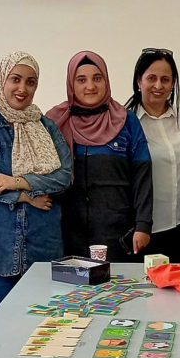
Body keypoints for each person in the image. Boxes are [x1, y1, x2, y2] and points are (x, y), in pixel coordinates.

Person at [0, 51, 71, 310]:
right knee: (0, 331)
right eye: (16, 79)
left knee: (43, 331)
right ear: (2, 80)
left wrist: (19, 181)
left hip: (42, 246)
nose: (22, 88)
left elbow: (64, 176)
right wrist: (25, 196)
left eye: (30, 82)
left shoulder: (47, 127)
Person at [47, 51, 152, 261]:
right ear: (71, 84)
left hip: (118, 233)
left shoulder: (126, 120)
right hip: (69, 233)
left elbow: (143, 176)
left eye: (97, 78)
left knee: (118, 292)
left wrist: (143, 225)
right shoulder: (55, 122)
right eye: (81, 80)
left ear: (106, 80)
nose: (90, 86)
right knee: (71, 292)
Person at [125, 49, 180, 261]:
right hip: (144, 231)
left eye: (165, 79)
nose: (158, 86)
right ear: (139, 80)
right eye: (151, 78)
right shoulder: (125, 122)